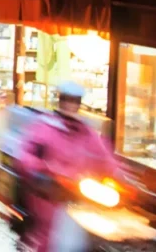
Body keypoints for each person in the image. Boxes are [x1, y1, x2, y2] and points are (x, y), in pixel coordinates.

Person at [15, 82, 120, 252]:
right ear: (61, 101)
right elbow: (25, 155)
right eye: (67, 100)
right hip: (48, 193)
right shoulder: (45, 126)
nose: (70, 105)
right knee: (48, 237)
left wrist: (121, 175)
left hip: (76, 194)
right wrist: (41, 170)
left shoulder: (86, 131)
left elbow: (104, 157)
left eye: (74, 101)